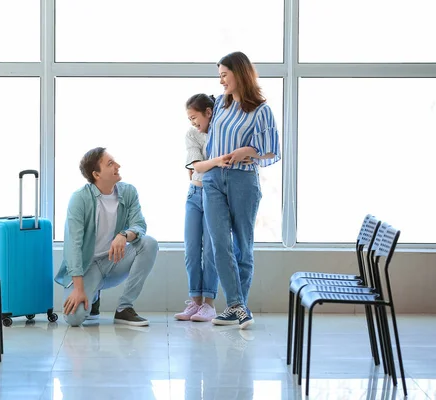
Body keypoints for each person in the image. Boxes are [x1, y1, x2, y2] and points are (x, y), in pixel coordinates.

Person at [203, 51, 281, 328]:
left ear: (240, 73)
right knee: (219, 242)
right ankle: (237, 306)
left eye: (225, 74)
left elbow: (272, 153)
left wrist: (251, 151)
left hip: (243, 181)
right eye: (220, 75)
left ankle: (237, 306)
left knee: (242, 246)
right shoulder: (220, 106)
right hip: (213, 179)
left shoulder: (261, 110)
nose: (221, 80)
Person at [54, 147, 159, 327]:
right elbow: (73, 246)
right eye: (110, 163)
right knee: (74, 319)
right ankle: (92, 297)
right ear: (96, 174)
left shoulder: (128, 192)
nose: (117, 166)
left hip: (114, 260)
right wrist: (79, 289)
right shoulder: (79, 199)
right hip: (88, 267)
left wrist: (124, 235)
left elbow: (139, 225)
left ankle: (124, 309)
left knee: (148, 243)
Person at [175, 93, 245, 322]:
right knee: (192, 249)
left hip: (215, 196)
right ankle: (195, 302)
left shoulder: (222, 131)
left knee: (212, 251)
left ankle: (209, 304)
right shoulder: (192, 134)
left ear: (208, 112)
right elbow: (197, 166)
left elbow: (212, 165)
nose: (193, 122)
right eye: (189, 118)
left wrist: (207, 166)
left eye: (194, 117)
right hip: (194, 194)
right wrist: (214, 162)